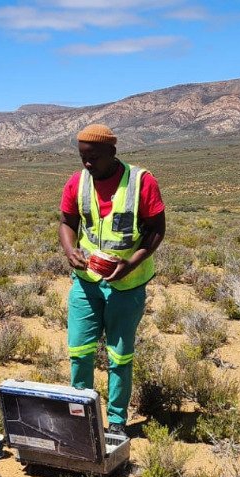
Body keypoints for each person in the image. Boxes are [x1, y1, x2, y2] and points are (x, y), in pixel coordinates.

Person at [58, 124, 166, 437]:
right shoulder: (77, 182)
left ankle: (116, 421)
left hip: (126, 286)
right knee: (79, 352)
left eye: (93, 157)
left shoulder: (141, 182)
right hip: (86, 282)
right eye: (82, 157)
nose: (87, 164)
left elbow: (156, 229)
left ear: (112, 153)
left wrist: (131, 264)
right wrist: (70, 250)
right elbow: (67, 222)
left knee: (120, 356)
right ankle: (81, 417)